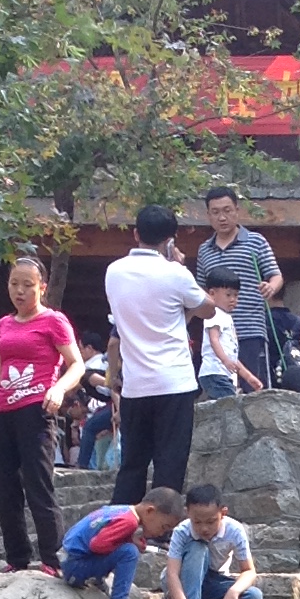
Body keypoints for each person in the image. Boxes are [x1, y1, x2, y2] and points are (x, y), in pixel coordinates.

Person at [0, 256, 85, 574]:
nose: (20, 291)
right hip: (3, 411)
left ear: (41, 287)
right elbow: (0, 370)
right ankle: (16, 558)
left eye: (27, 285)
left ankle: (52, 558)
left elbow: (77, 364)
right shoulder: (4, 324)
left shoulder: (54, 321)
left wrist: (58, 390)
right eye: (14, 284)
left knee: (38, 484)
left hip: (36, 408)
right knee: (5, 488)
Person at [104, 205, 212, 504]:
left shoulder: (113, 272)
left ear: (136, 233)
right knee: (170, 462)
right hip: (174, 382)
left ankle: (120, 526)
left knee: (132, 465)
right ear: (170, 240)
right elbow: (208, 307)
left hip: (135, 385)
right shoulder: (176, 273)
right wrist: (180, 268)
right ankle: (162, 532)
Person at [194, 187, 282, 392]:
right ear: (208, 215)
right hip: (217, 333)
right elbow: (200, 289)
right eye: (215, 212)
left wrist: (271, 287)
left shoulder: (256, 241)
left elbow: (276, 275)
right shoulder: (204, 250)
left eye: (227, 210)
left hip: (250, 327)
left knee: (255, 389)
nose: (222, 217)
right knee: (223, 391)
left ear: (237, 210)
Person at [61, 489, 184, 599]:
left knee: (126, 549)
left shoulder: (122, 511)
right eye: (163, 527)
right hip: (75, 568)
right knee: (129, 553)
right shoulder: (130, 522)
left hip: (69, 561)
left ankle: (97, 579)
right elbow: (97, 545)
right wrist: (128, 543)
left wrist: (130, 539)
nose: (162, 533)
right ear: (150, 511)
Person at [165, 484, 262, 599]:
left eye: (211, 522)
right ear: (187, 513)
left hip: (214, 583)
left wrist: (233, 592)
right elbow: (172, 574)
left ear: (223, 513)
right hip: (182, 581)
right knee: (197, 548)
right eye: (197, 522)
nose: (204, 528)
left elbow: (249, 570)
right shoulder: (182, 531)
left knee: (254, 597)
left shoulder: (234, 530)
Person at [196, 274, 262, 399]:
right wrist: (225, 361)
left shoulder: (226, 318)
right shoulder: (214, 314)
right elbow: (213, 339)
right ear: (212, 293)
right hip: (215, 372)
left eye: (236, 295)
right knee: (230, 408)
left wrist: (247, 376)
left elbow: (232, 356)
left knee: (225, 409)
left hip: (223, 374)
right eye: (228, 295)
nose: (233, 299)